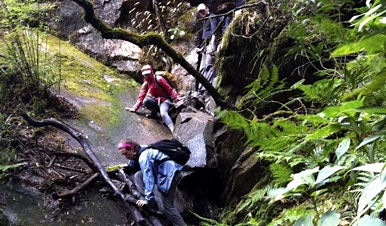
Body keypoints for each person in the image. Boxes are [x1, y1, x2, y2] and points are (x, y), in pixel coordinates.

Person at [118, 139, 186, 226]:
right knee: (138, 175)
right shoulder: (141, 148)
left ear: (132, 149)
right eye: (123, 155)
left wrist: (148, 199)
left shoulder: (143, 157)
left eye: (126, 154)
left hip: (171, 174)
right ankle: (151, 204)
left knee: (168, 207)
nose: (125, 157)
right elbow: (134, 161)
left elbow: (148, 178)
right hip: (164, 170)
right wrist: (128, 165)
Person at [126, 64, 179, 133]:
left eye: (148, 74)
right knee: (146, 101)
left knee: (163, 114)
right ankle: (154, 113)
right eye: (145, 74)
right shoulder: (146, 83)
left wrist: (177, 98)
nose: (147, 76)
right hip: (155, 100)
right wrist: (135, 108)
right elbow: (141, 96)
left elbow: (170, 90)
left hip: (164, 100)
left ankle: (173, 130)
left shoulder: (159, 79)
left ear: (151, 72)